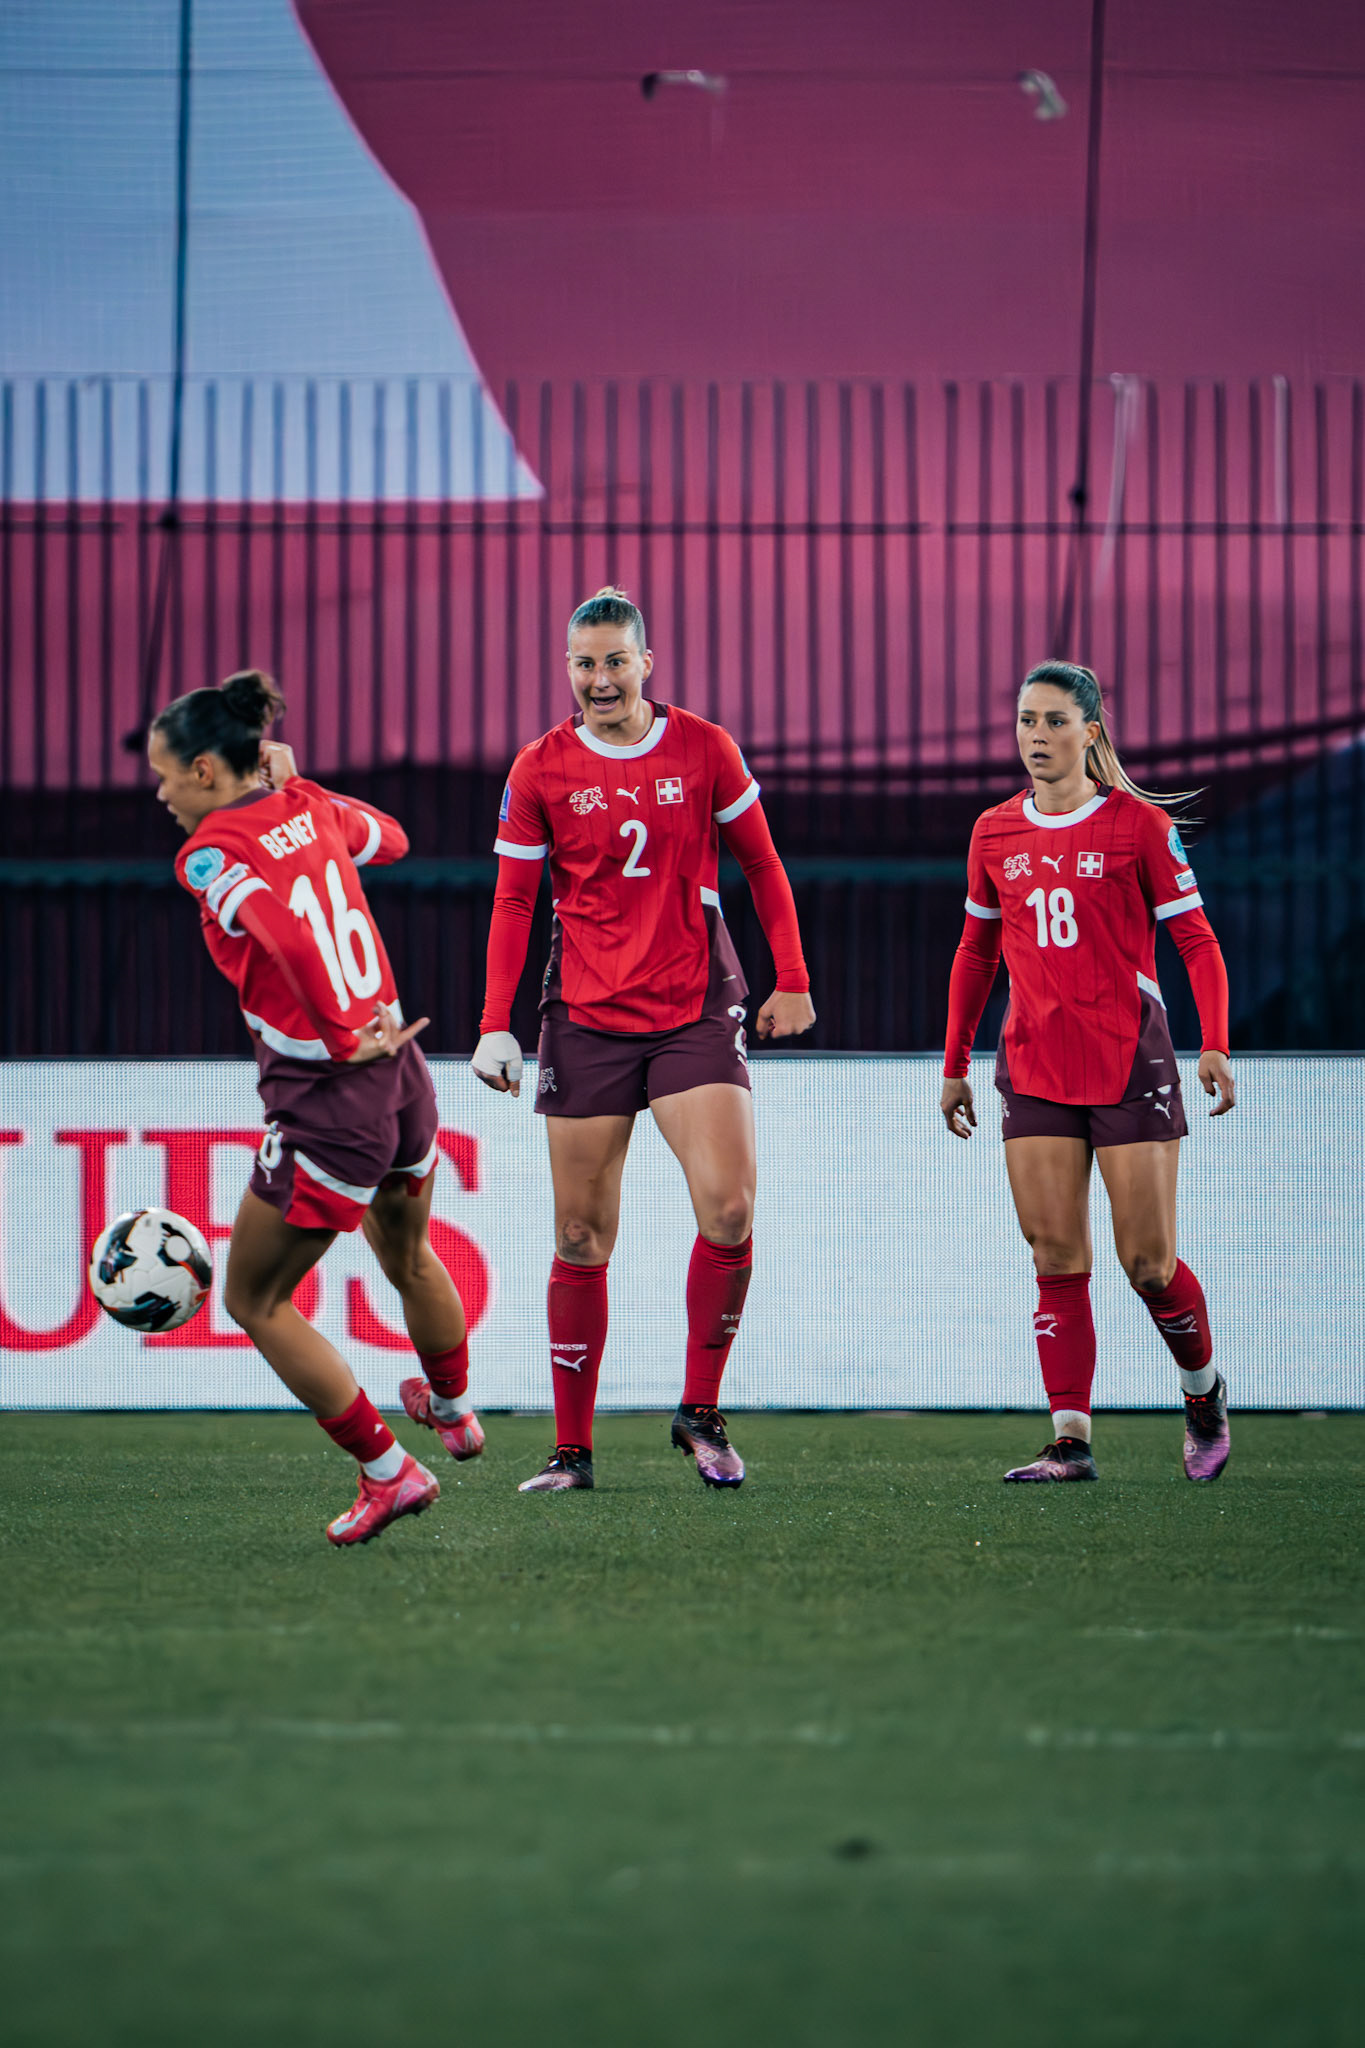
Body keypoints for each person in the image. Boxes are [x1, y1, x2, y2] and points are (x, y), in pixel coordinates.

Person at [471, 588, 815, 1491]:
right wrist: (494, 1025)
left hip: (695, 1008)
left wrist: (795, 978)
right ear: (569, 670)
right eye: (584, 663)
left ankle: (700, 1412)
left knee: (730, 1211)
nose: (599, 679)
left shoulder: (705, 747)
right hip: (583, 1017)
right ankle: (572, 1452)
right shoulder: (539, 769)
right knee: (581, 1235)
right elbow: (513, 902)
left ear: (645, 665)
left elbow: (762, 863)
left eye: (616, 661)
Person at [150, 669, 482, 1545]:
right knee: (407, 1255)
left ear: (211, 773)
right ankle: (451, 1414)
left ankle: (389, 1472)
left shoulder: (206, 851)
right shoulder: (311, 807)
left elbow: (280, 927)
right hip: (403, 1073)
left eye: (169, 773)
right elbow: (397, 840)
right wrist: (300, 790)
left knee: (255, 1300)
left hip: (331, 1096)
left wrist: (337, 1039)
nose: (161, 791)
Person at [940, 660, 1236, 1483]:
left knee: (1147, 1265)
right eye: (1025, 721)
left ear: (1089, 732)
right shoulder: (993, 831)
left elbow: (1196, 940)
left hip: (1126, 1063)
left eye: (1053, 722)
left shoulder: (1136, 827)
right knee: (1054, 1258)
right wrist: (956, 1064)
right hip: (1031, 1068)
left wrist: (1212, 1041)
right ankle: (1069, 1443)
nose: (1036, 736)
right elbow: (975, 951)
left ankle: (1202, 1392)